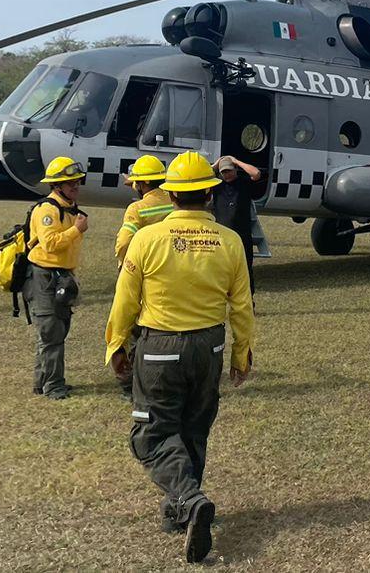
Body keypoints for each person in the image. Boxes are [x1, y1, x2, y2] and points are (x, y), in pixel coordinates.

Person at [107, 151, 255, 564]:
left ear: (171, 195)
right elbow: (242, 305)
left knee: (151, 434)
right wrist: (241, 355)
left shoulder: (147, 239)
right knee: (193, 428)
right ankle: (180, 512)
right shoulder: (230, 241)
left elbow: (125, 299)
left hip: (160, 348)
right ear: (209, 193)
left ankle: (188, 499)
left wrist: (116, 344)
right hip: (209, 346)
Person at [25, 156, 89, 400]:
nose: (75, 186)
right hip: (44, 277)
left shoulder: (70, 209)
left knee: (56, 329)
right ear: (56, 186)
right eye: (70, 183)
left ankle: (42, 381)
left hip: (62, 276)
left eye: (77, 182)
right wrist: (76, 230)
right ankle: (54, 386)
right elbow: (50, 244)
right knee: (51, 331)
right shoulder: (48, 210)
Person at [111, 154, 170, 400]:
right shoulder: (173, 201)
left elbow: (124, 240)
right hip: (169, 274)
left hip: (143, 274)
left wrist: (123, 260)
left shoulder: (137, 208)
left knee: (134, 329)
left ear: (142, 184)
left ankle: (133, 383)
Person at [210, 155, 263, 291]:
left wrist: (236, 161)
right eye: (224, 172)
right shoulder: (216, 186)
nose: (227, 174)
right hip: (221, 238)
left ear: (235, 169)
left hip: (242, 237)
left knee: (245, 270)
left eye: (229, 171)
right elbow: (203, 175)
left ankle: (249, 301)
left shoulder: (244, 183)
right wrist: (217, 164)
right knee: (220, 270)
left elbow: (256, 173)